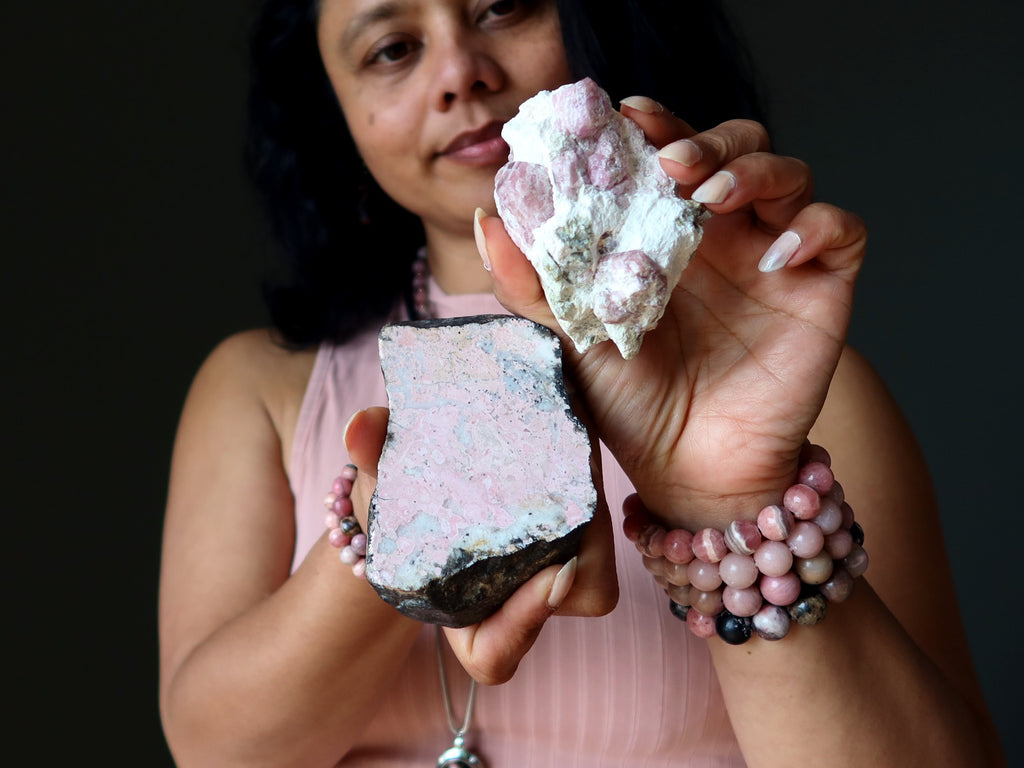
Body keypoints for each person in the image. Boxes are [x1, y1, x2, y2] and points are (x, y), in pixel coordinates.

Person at [158, 0, 1004, 765]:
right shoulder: (257, 389)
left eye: (502, 5)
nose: (460, 74)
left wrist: (735, 496)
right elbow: (215, 751)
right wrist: (411, 512)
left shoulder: (794, 391)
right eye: (392, 49)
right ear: (331, 113)